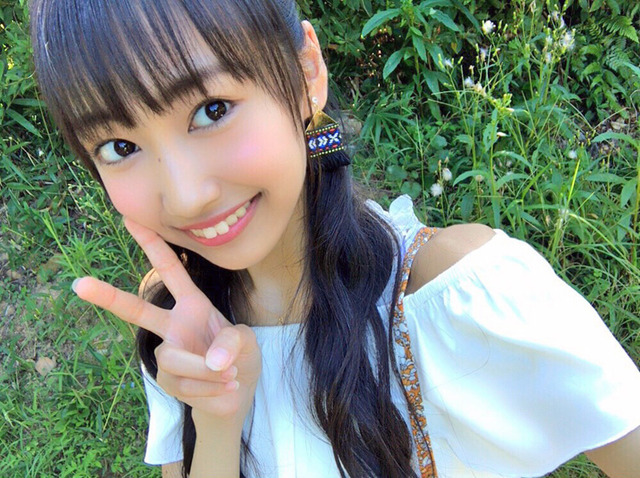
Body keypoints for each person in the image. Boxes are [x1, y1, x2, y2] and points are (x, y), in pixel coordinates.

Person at [29, 0, 640, 477]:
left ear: (305, 76)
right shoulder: (182, 321)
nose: (186, 196)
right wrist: (215, 418)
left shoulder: (459, 297)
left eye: (211, 110)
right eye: (120, 147)